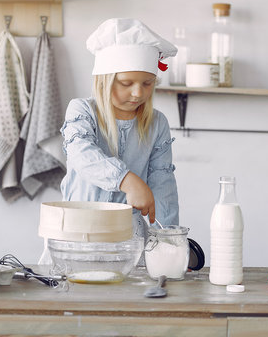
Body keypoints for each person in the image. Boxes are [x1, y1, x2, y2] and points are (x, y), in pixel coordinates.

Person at [60, 18, 179, 237]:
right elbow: (81, 153)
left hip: (128, 239)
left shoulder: (157, 124)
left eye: (147, 83)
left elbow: (163, 187)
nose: (138, 93)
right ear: (104, 80)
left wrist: (169, 239)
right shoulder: (81, 111)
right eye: (126, 83)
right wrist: (126, 180)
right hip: (77, 232)